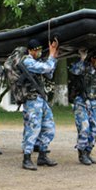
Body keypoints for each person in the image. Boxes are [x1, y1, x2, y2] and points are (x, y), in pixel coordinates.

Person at [20, 38, 59, 171]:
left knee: (49, 127)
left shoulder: (38, 61)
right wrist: (52, 55)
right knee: (33, 128)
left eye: (40, 50)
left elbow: (49, 73)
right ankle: (27, 158)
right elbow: (46, 67)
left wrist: (54, 58)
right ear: (30, 50)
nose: (39, 52)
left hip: (41, 100)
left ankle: (42, 155)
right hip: (32, 100)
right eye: (37, 50)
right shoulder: (27, 61)